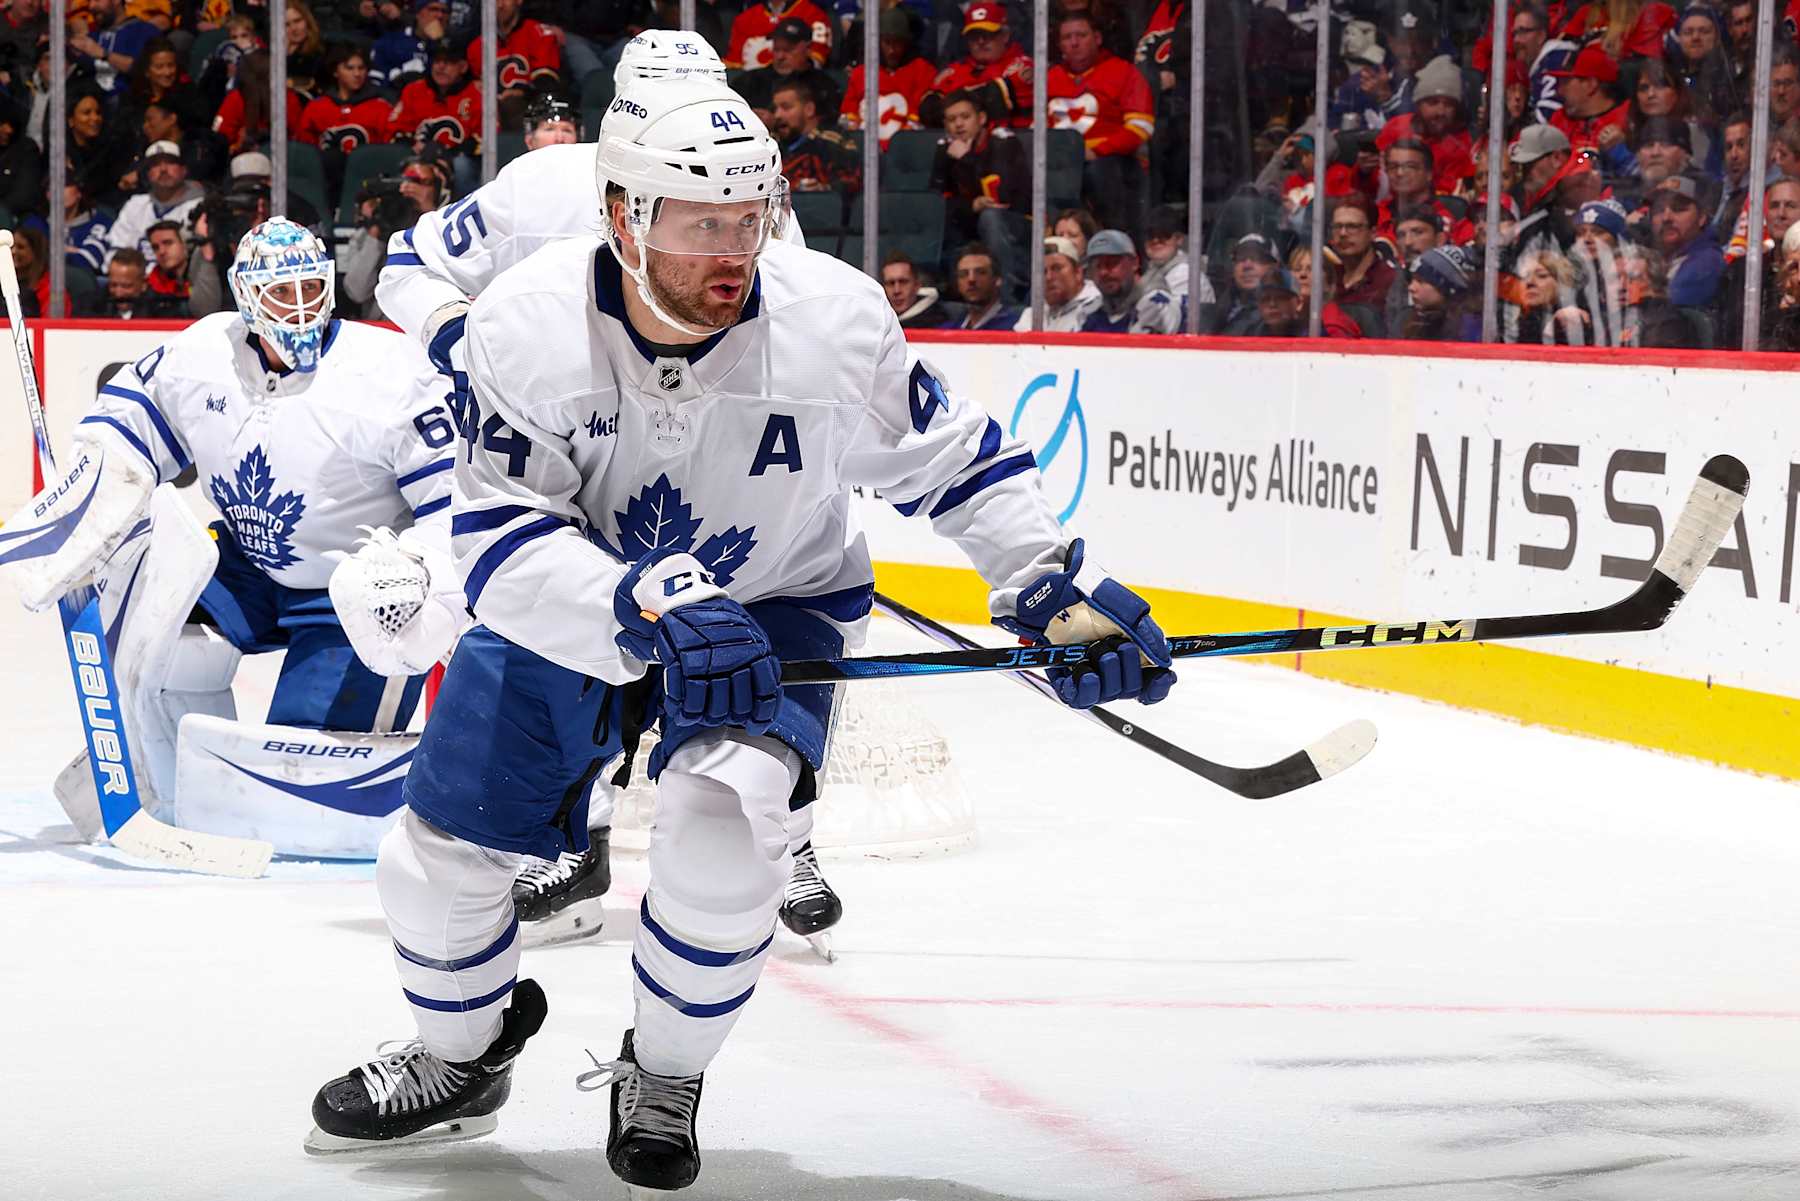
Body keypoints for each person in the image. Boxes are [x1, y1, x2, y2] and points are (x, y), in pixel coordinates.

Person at [303, 77, 1175, 1195]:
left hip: (773, 599)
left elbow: (957, 459)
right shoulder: (520, 327)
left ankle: (662, 1075)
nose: (733, 251)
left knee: (725, 841)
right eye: (699, 223)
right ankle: (460, 1057)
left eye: (751, 218)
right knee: (434, 861)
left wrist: (1046, 582)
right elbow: (502, 540)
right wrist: (639, 607)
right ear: (622, 215)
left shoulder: (834, 317)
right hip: (580, 598)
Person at [373, 31, 822, 951]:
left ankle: (789, 836)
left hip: (694, 468)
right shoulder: (544, 183)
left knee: (736, 653)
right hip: (557, 455)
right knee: (568, 648)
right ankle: (575, 845)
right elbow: (406, 266)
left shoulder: (748, 193)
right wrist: (461, 344)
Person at [1, 217, 462, 860]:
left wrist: (422, 573)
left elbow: (455, 503)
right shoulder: (200, 354)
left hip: (352, 594)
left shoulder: (390, 373)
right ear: (245, 297)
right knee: (141, 601)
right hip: (246, 565)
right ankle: (156, 768)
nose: (300, 309)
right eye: (281, 294)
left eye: (311, 288)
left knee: (293, 779)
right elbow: (121, 434)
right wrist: (75, 515)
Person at [1046, 11, 1153, 239]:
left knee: (1099, 172)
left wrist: (1096, 150)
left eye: (1081, 35)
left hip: (1113, 164)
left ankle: (1118, 243)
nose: (1074, 43)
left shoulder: (1123, 72)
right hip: (1061, 167)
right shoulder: (1049, 78)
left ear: (1097, 38)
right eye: (1067, 38)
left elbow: (1140, 127)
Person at [930, 88, 1028, 300]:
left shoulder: (1003, 143)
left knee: (990, 217)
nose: (958, 124)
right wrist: (972, 205)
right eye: (951, 120)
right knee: (947, 221)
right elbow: (935, 201)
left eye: (965, 117)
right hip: (971, 221)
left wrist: (966, 161)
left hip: (1016, 222)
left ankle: (1006, 295)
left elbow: (999, 199)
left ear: (981, 118)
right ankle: (948, 296)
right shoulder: (945, 150)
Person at [921, 1, 1034, 130]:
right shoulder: (953, 71)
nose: (981, 41)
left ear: (1005, 36)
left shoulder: (1021, 66)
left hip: (1014, 142)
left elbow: (992, 99)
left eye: (988, 35)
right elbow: (928, 111)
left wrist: (950, 101)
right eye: (974, 36)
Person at [1374, 55, 1475, 196]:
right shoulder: (1395, 127)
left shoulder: (1460, 146)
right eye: (1433, 103)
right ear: (1418, 104)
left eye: (1449, 105)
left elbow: (1449, 197)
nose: (1441, 112)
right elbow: (1374, 180)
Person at [838, 6, 934, 150]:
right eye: (887, 42)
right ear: (878, 42)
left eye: (897, 43)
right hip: (862, 151)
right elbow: (848, 114)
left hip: (905, 152)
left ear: (906, 43)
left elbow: (918, 119)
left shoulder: (921, 70)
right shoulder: (862, 73)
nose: (891, 50)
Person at [468, 0, 562, 128]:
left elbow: (547, 83)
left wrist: (522, 92)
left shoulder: (538, 33)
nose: (500, 5)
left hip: (530, 109)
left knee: (511, 104)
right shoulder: (476, 46)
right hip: (492, 114)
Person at [733, 18, 842, 128]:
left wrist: (777, 123)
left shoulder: (824, 87)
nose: (780, 57)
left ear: (808, 49)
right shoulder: (748, 81)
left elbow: (828, 126)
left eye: (788, 50)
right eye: (776, 49)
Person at [107, 140, 205, 260]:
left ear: (184, 170)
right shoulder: (135, 204)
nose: (163, 169)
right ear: (148, 174)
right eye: (155, 164)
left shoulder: (201, 207)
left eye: (170, 162)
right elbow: (115, 251)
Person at [1077, 228, 1179, 334]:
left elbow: (1138, 349)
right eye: (1097, 266)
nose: (1103, 272)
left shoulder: (1157, 304)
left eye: (1111, 263)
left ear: (1135, 263)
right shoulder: (1090, 311)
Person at [770, 78, 860, 194]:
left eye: (786, 107)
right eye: (775, 109)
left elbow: (854, 181)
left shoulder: (832, 144)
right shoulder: (771, 146)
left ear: (809, 109)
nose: (777, 115)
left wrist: (824, 188)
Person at [1650, 175, 1723, 308]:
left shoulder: (1706, 262)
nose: (1666, 218)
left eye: (1678, 209)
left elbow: (1670, 315)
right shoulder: (1662, 260)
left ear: (1701, 218)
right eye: (1658, 210)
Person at [67, 0, 160, 95]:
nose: (91, 6)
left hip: (130, 103)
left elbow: (144, 70)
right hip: (92, 102)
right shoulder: (91, 37)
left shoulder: (145, 31)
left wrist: (103, 53)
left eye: (97, 1)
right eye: (89, 2)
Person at [1012, 235, 1101, 331]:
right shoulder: (1032, 316)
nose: (1048, 277)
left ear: (1078, 272)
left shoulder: (1097, 308)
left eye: (1057, 268)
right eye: (1043, 271)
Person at [1548, 44, 1629, 148]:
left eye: (1565, 82)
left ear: (1591, 85)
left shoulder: (1627, 121)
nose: (1558, 91)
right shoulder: (1559, 119)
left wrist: (1622, 147)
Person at [1328, 193, 1396, 310]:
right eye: (1337, 226)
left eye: (1352, 226)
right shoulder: (1327, 279)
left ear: (1373, 232)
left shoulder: (1390, 281)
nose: (1343, 233)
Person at [1402, 244, 1482, 341]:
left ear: (1447, 286)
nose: (1411, 287)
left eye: (1420, 281)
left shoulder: (1467, 330)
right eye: (1412, 280)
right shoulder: (1416, 320)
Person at [370, 0, 449, 89]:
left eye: (444, 11)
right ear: (418, 14)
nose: (440, 16)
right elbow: (375, 84)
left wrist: (439, 42)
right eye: (433, 9)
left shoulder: (454, 46)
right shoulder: (390, 42)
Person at [943, 241, 1021, 329]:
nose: (971, 279)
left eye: (981, 272)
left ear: (998, 279)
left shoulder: (1017, 326)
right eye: (963, 274)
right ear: (958, 284)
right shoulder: (947, 330)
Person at [882, 249, 959, 328]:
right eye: (890, 283)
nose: (897, 290)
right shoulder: (877, 323)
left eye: (903, 282)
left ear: (917, 286)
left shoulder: (940, 324)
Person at [143, 218, 191, 304]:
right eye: (155, 247)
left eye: (168, 243)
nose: (161, 252)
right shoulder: (149, 286)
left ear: (185, 243)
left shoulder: (205, 277)